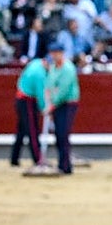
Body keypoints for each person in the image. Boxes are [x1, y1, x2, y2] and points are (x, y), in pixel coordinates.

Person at [44, 40, 80, 175]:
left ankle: (65, 166)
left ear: (62, 53)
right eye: (52, 53)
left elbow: (64, 90)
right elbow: (48, 85)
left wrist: (51, 105)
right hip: (56, 104)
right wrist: (47, 101)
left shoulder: (68, 68)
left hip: (68, 104)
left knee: (63, 133)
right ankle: (62, 164)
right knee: (59, 135)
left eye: (56, 53)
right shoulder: (53, 67)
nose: (54, 55)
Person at [10, 55, 48, 167]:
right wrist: (44, 108)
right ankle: (38, 160)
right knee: (32, 131)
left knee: (21, 131)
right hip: (28, 101)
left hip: (20, 98)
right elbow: (40, 94)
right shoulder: (40, 74)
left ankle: (14, 159)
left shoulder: (35, 62)